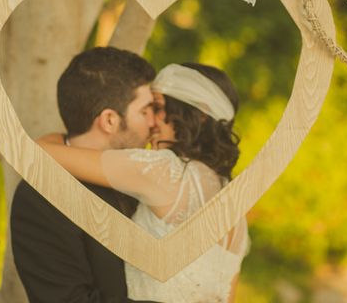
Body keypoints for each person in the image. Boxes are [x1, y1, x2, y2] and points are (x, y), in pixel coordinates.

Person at [39, 62, 250, 303]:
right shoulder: (232, 203)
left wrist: (61, 136)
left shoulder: (164, 170)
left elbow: (41, 153)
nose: (152, 122)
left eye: (158, 108)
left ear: (199, 114)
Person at [11, 46, 159, 303]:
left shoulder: (152, 175)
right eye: (145, 112)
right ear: (110, 120)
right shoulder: (40, 199)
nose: (154, 122)